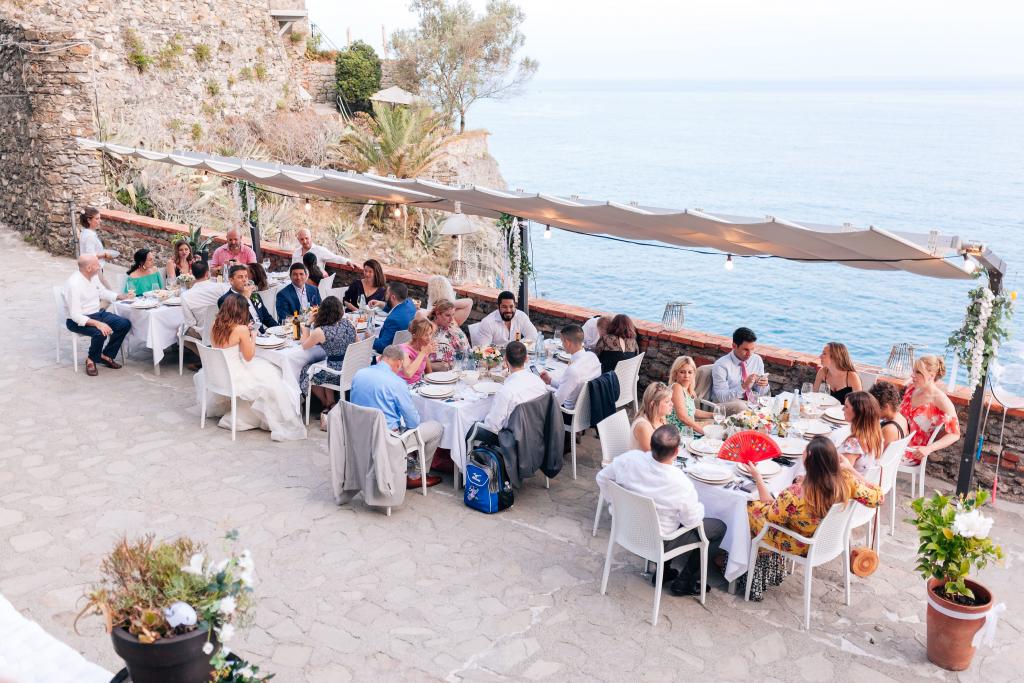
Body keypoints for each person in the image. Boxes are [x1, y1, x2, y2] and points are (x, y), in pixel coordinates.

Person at [596, 425, 728, 597]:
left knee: (672, 515)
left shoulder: (628, 459)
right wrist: (702, 506)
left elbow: (601, 478)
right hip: (658, 540)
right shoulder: (680, 482)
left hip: (626, 528)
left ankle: (663, 571)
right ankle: (685, 581)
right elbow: (692, 522)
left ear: (651, 445)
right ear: (676, 452)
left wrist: (616, 506)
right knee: (717, 527)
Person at [744, 437, 881, 600]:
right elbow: (878, 497)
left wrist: (758, 478)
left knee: (751, 509)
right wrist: (851, 470)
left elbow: (772, 515)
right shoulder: (846, 482)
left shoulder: (795, 493)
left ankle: (741, 564)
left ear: (808, 457)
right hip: (829, 540)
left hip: (802, 544)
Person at [203, 294, 306, 441]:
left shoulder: (215, 324)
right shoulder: (241, 330)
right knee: (275, 376)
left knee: (269, 373)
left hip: (218, 374)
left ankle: (245, 412)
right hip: (235, 375)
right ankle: (272, 417)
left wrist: (244, 330)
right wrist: (253, 335)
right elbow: (249, 356)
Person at [350, 344, 444, 488]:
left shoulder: (359, 374)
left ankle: (407, 464)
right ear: (399, 363)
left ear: (380, 358)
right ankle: (416, 475)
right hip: (387, 440)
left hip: (359, 433)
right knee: (436, 427)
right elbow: (413, 423)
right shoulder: (397, 383)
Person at [63, 254, 132, 376]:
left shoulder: (93, 276)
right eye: (97, 264)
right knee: (100, 332)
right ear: (89, 268)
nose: (99, 266)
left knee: (124, 324)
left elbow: (102, 292)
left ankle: (106, 355)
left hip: (97, 313)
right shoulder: (74, 284)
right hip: (77, 320)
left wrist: (119, 296)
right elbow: (75, 315)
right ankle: (91, 359)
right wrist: (98, 324)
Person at [299, 296, 356, 430]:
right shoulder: (349, 323)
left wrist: (307, 324)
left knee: (306, 371)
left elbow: (304, 345)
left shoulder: (320, 331)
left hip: (336, 373)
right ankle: (330, 403)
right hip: (351, 368)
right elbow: (356, 342)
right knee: (323, 365)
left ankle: (328, 403)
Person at [899, 355, 961, 465]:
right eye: (913, 371)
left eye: (918, 372)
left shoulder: (940, 400)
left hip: (912, 451)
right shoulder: (911, 389)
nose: (912, 375)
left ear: (931, 376)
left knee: (869, 452)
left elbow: (955, 434)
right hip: (896, 439)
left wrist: (929, 448)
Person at [482, 341, 548, 432]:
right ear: (526, 359)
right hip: (538, 432)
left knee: (472, 428)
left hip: (514, 439)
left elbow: (492, 427)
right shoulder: (539, 382)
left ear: (505, 360)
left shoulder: (506, 391)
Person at [540, 324, 600, 411]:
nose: (562, 344)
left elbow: (557, 401)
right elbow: (569, 386)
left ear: (567, 343)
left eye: (562, 341)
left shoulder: (573, 370)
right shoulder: (593, 357)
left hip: (568, 413)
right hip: (587, 410)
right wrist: (550, 381)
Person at [711, 327, 768, 407]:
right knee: (741, 407)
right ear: (734, 346)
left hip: (749, 402)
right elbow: (721, 398)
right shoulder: (721, 365)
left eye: (752, 349)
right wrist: (744, 386)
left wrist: (763, 385)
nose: (750, 354)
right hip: (727, 404)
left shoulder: (757, 360)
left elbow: (759, 393)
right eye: (746, 350)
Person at [832, 391, 885, 474]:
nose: (842, 409)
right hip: (865, 481)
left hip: (851, 485)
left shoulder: (853, 445)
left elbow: (842, 476)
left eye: (846, 406)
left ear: (857, 413)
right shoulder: (877, 435)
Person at [217, 264, 277, 332]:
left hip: (262, 336)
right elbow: (235, 323)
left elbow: (267, 318)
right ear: (231, 281)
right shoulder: (225, 300)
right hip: (244, 338)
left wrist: (279, 330)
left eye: (246, 276)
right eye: (240, 277)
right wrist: (245, 297)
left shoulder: (254, 295)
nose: (244, 280)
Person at [666, 356, 713, 438]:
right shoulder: (676, 387)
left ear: (694, 374)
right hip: (677, 434)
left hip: (688, 431)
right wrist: (706, 432)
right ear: (675, 373)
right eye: (682, 372)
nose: (686, 376)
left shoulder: (689, 391)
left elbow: (692, 411)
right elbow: (683, 417)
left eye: (690, 372)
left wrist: (714, 415)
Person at [181, 260, 228, 336]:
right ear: (207, 273)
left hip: (205, 334)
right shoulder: (222, 287)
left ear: (192, 274)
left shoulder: (185, 295)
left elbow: (191, 322)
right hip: (225, 331)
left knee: (180, 329)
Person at [372, 282, 416, 354]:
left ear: (393, 297)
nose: (385, 296)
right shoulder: (410, 304)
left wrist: (369, 339)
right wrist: (380, 304)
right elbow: (396, 309)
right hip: (405, 349)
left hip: (387, 354)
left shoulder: (393, 320)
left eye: (387, 294)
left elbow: (382, 345)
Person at [631, 382, 674, 452]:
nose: (672, 404)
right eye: (667, 401)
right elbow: (654, 456)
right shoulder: (643, 426)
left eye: (671, 400)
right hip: (644, 462)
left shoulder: (661, 418)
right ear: (653, 404)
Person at [428, 299, 469, 371]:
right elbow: (419, 313)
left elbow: (469, 302)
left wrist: (447, 304)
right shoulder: (430, 328)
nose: (451, 318)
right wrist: (435, 307)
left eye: (453, 314)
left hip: (466, 366)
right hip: (444, 372)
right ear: (437, 314)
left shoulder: (452, 322)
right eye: (447, 315)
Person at [869, 380, 909, 447]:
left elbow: (875, 454)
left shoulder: (889, 429)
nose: (872, 411)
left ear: (886, 406)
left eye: (874, 407)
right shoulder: (901, 417)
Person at [397, 318, 436, 385]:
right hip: (403, 387)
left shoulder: (423, 347)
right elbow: (408, 373)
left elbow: (428, 370)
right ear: (415, 336)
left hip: (418, 385)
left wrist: (432, 385)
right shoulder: (404, 350)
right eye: (425, 335)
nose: (429, 338)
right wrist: (423, 353)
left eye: (430, 334)